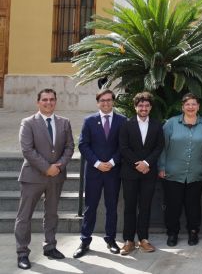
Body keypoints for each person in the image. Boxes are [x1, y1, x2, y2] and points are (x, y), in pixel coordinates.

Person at [15, 89, 74, 270]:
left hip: (56, 176)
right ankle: (22, 253)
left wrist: (58, 166)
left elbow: (69, 147)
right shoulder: (28, 123)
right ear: (38, 102)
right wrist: (46, 167)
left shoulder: (64, 123)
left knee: (51, 213)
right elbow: (27, 150)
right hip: (33, 177)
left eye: (52, 99)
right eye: (45, 100)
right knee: (24, 216)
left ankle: (50, 247)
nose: (48, 102)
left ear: (56, 101)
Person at [75, 89, 127, 258]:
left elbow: (123, 146)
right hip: (94, 172)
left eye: (109, 100)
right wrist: (97, 163)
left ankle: (110, 240)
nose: (106, 103)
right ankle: (85, 240)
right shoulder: (89, 120)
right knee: (90, 207)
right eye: (102, 100)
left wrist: (111, 162)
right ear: (98, 102)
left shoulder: (122, 121)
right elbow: (83, 145)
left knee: (111, 207)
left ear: (113, 102)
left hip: (113, 171)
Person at [158, 93, 202, 247]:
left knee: (193, 206)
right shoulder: (171, 124)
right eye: (187, 104)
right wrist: (161, 167)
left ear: (198, 107)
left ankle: (193, 232)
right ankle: (172, 233)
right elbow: (162, 147)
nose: (191, 107)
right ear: (182, 107)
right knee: (173, 206)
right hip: (172, 173)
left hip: (196, 173)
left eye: (194, 104)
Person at [118, 92, 164, 256]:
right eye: (140, 105)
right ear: (135, 106)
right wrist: (137, 164)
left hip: (148, 172)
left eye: (146, 105)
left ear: (150, 107)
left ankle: (143, 239)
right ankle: (128, 240)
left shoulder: (157, 125)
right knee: (129, 207)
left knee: (145, 207)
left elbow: (159, 147)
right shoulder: (126, 124)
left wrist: (147, 163)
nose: (143, 108)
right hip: (130, 172)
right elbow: (123, 147)